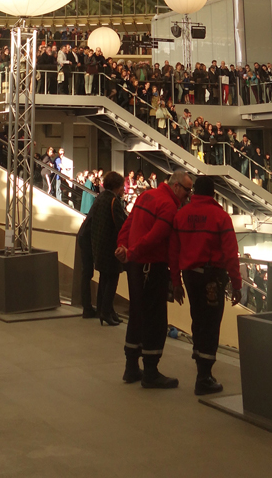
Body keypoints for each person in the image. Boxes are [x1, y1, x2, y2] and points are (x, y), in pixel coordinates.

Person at [115, 167, 193, 388]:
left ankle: (131, 367)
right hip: (151, 267)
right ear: (175, 186)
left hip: (135, 265)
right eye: (187, 190)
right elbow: (154, 238)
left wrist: (124, 247)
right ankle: (150, 371)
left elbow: (128, 225)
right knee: (155, 320)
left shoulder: (145, 196)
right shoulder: (168, 206)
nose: (188, 196)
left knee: (137, 315)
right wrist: (132, 251)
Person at [170, 175, 242, 395]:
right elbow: (230, 254)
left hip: (190, 277)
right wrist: (237, 283)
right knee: (211, 324)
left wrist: (175, 281)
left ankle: (199, 361)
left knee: (198, 319)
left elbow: (173, 252)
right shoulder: (220, 216)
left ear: (195, 192)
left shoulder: (181, 215)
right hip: (212, 277)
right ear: (213, 194)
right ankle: (204, 377)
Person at [91, 171, 127, 326]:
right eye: (122, 187)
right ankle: (106, 311)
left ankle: (104, 310)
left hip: (99, 245)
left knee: (104, 279)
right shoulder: (114, 201)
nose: (123, 190)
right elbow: (121, 225)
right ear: (117, 187)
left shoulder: (100, 198)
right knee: (112, 280)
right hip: (111, 247)